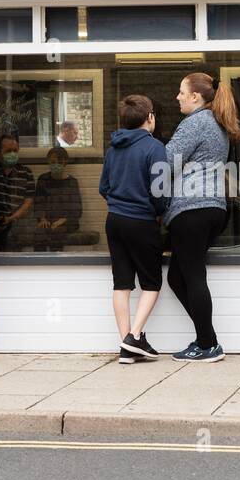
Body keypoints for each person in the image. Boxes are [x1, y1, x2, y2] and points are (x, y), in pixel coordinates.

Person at [164, 72, 240, 362]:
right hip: (213, 208)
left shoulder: (195, 122)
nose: (178, 97)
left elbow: (167, 160)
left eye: (181, 92)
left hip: (192, 208)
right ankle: (206, 339)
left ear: (195, 96)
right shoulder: (217, 122)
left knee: (194, 275)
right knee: (177, 277)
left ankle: (208, 344)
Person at [100, 94, 170, 363]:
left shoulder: (113, 148)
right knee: (151, 282)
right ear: (150, 118)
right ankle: (134, 335)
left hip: (114, 220)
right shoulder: (155, 148)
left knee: (122, 283)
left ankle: (127, 345)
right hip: (141, 221)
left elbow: (103, 188)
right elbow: (160, 193)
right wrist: (159, 212)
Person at [33, 147, 83, 251]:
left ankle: (56, 263)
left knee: (57, 233)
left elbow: (77, 210)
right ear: (48, 162)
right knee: (39, 234)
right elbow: (38, 202)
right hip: (47, 221)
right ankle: (39, 263)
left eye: (59, 162)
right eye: (53, 162)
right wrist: (42, 218)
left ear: (65, 162)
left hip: (67, 222)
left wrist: (62, 221)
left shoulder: (72, 182)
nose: (56, 164)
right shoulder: (43, 179)